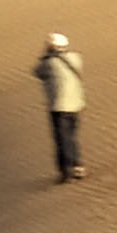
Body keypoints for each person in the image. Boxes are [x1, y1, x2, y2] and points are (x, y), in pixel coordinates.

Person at [36, 31, 87, 181]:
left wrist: (46, 54)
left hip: (59, 106)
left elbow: (38, 72)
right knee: (72, 136)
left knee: (62, 139)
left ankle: (66, 172)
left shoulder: (49, 63)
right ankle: (78, 166)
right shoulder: (75, 58)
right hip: (76, 104)